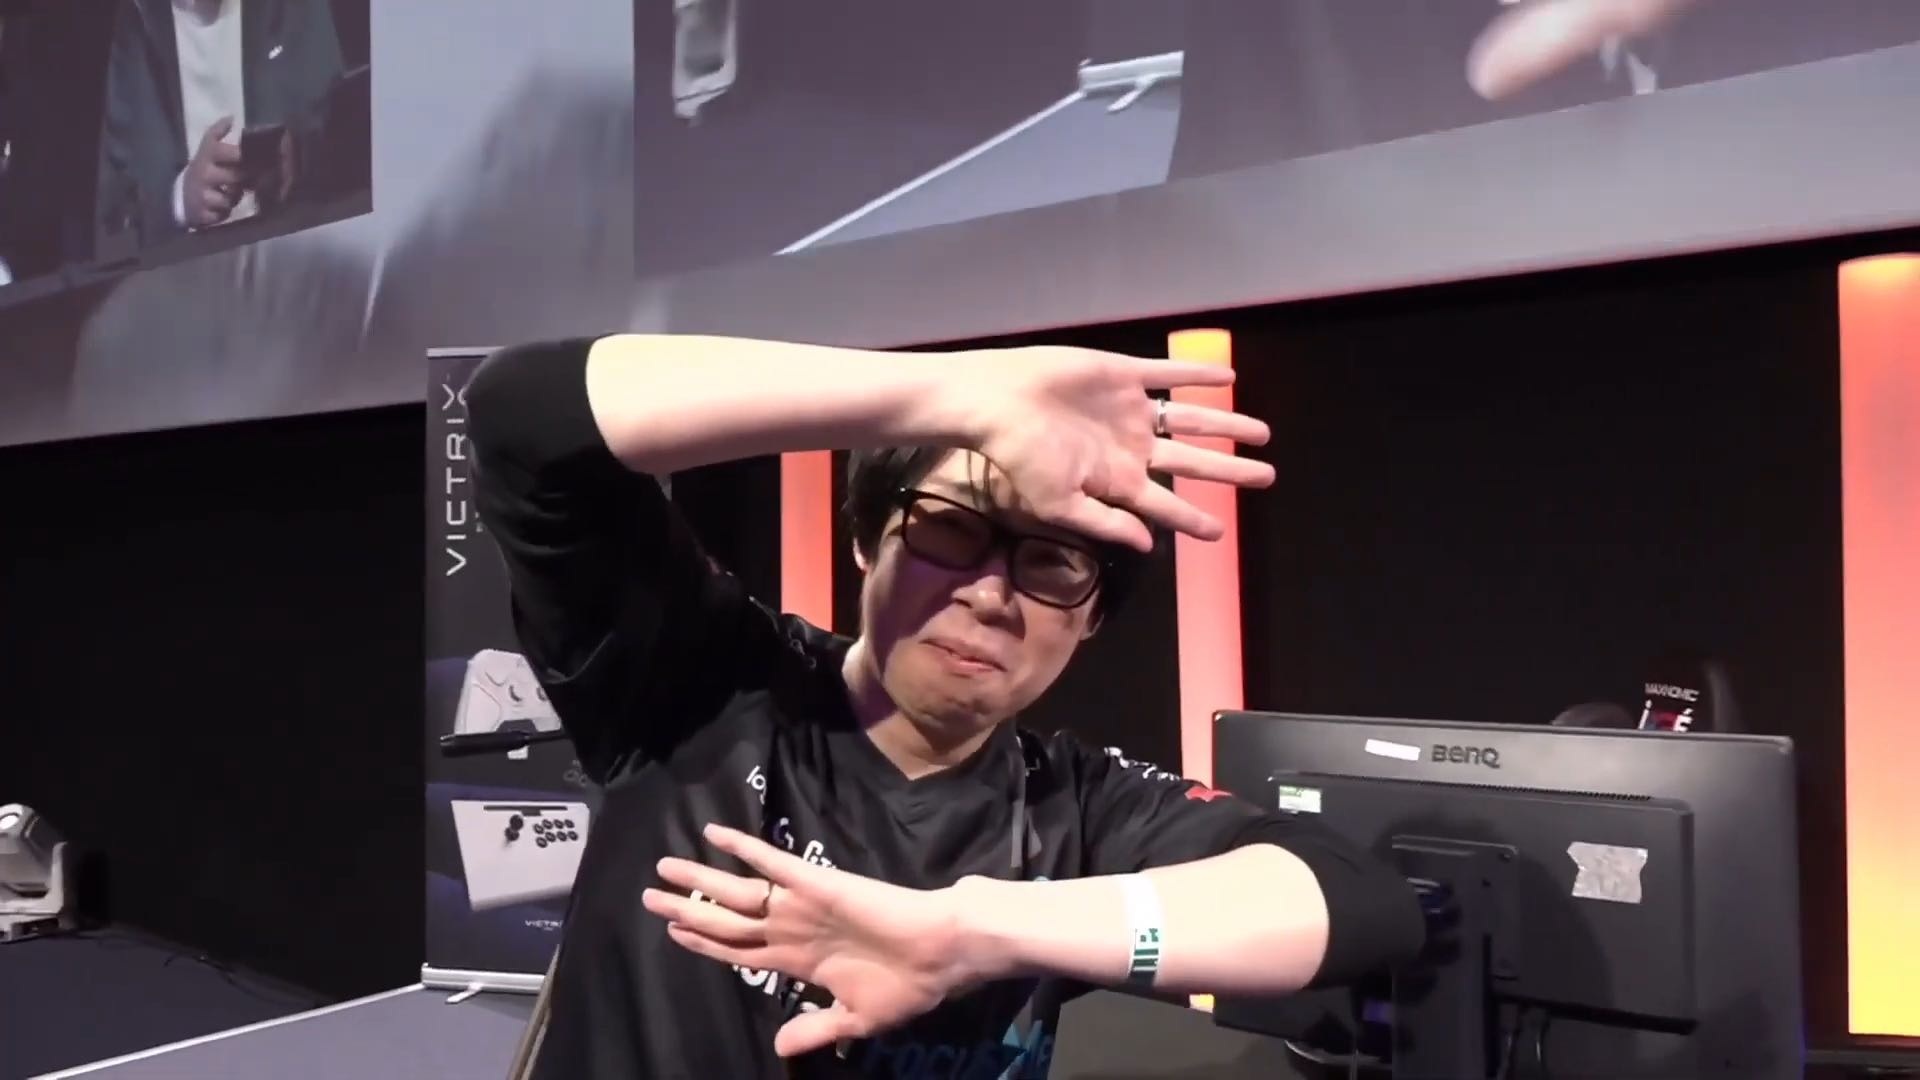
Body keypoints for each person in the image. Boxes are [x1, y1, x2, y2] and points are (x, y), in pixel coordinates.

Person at [466, 334, 1427, 1079]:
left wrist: (977, 933)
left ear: (1090, 618)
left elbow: (1358, 901)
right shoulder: (700, 679)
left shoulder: (1072, 807)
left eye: (1053, 560)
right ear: (866, 541)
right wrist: (957, 394)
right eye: (951, 528)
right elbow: (522, 415)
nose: (992, 594)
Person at [94, 0, 344, 246]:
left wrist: (297, 158)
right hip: (184, 260)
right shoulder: (129, 25)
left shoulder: (294, 8)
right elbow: (113, 213)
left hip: (293, 242)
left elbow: (340, 131)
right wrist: (180, 200)